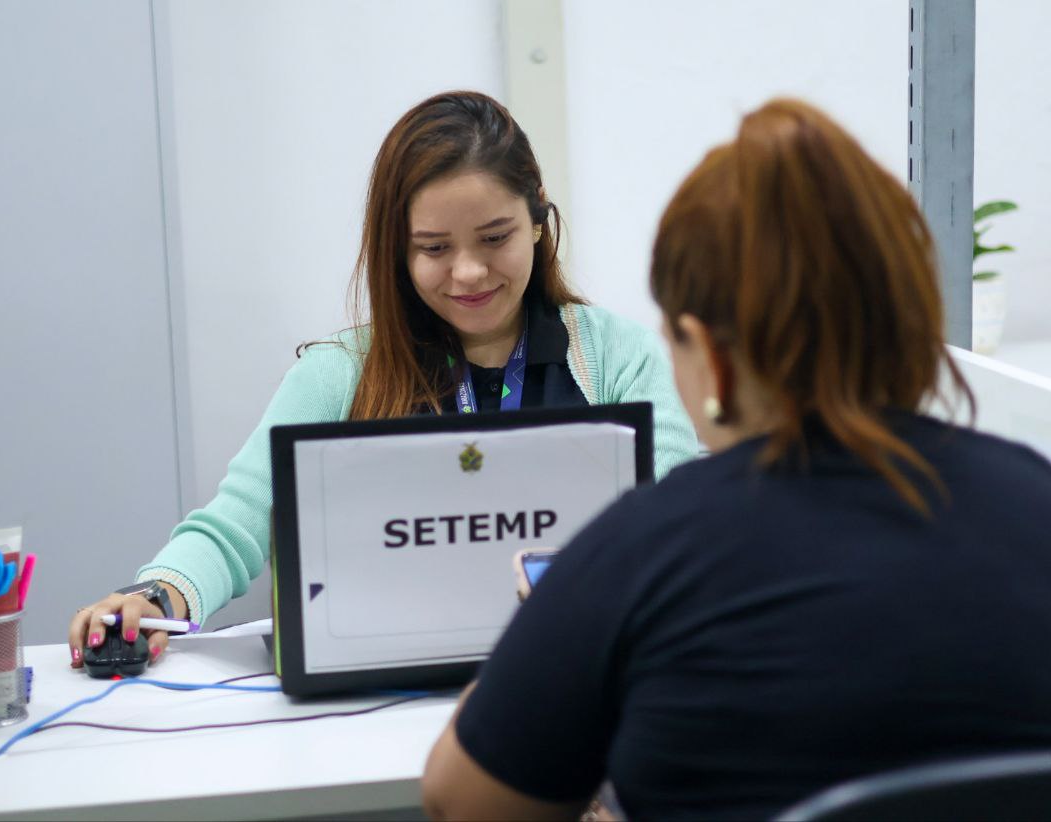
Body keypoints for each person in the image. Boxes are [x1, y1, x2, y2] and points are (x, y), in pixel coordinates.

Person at [421, 98, 1051, 820]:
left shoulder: (647, 548)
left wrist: (545, 644)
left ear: (710, 358)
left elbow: (462, 805)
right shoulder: (1046, 508)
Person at [67, 91, 698, 667]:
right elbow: (235, 526)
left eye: (495, 237)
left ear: (537, 220)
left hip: (578, 689)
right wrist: (157, 595)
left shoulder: (619, 359)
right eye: (434, 248)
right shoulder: (340, 374)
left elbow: (681, 524)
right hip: (378, 706)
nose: (469, 272)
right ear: (397, 249)